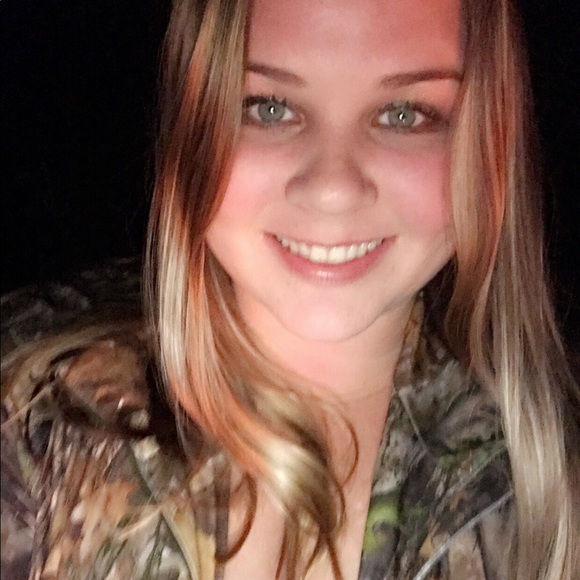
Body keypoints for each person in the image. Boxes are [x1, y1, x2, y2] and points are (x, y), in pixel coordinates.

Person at [1, 0, 579, 578]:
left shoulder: (549, 494)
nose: (332, 188)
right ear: (189, 122)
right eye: (269, 108)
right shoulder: (30, 415)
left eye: (404, 114)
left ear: (490, 141)